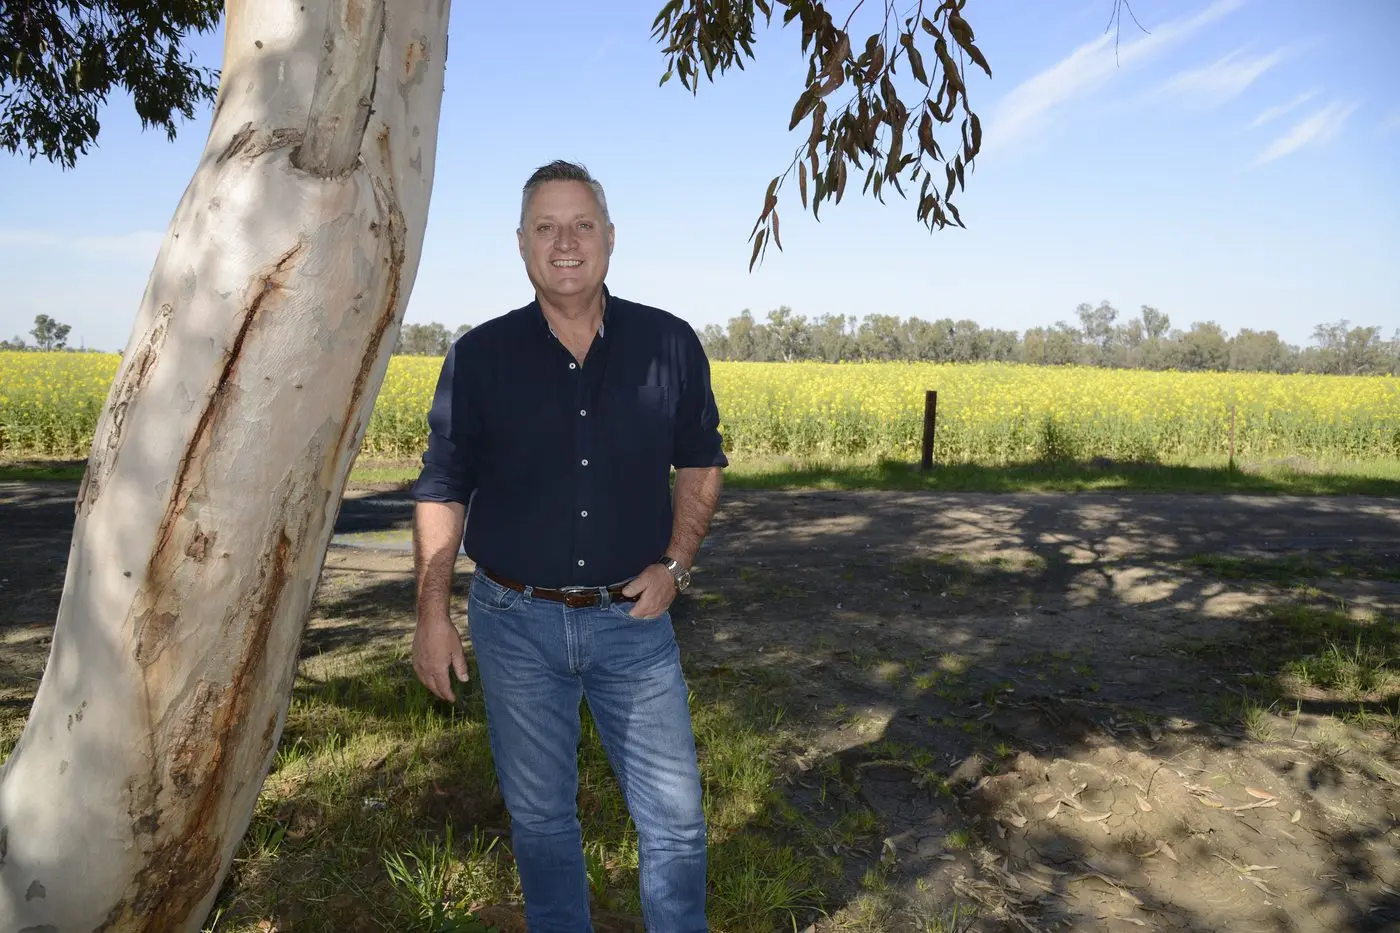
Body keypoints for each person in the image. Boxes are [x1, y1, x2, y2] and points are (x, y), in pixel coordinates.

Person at [409, 159, 727, 933]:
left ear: (609, 237)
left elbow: (701, 459)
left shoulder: (669, 342)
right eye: (546, 227)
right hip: (514, 623)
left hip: (635, 623)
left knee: (677, 819)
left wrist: (677, 565)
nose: (565, 243)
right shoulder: (478, 357)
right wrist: (430, 613)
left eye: (581, 225)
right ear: (521, 243)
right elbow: (442, 485)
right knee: (543, 819)